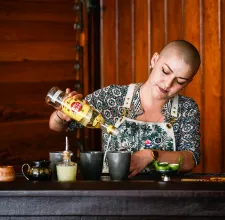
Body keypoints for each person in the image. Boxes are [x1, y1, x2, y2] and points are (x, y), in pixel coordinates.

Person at [49, 39, 201, 177]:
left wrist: (150, 155)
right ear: (154, 60)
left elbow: (190, 159)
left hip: (164, 197)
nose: (168, 84)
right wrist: (61, 115)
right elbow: (56, 126)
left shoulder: (186, 108)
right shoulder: (113, 97)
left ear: (188, 82)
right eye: (165, 71)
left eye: (180, 81)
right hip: (113, 193)